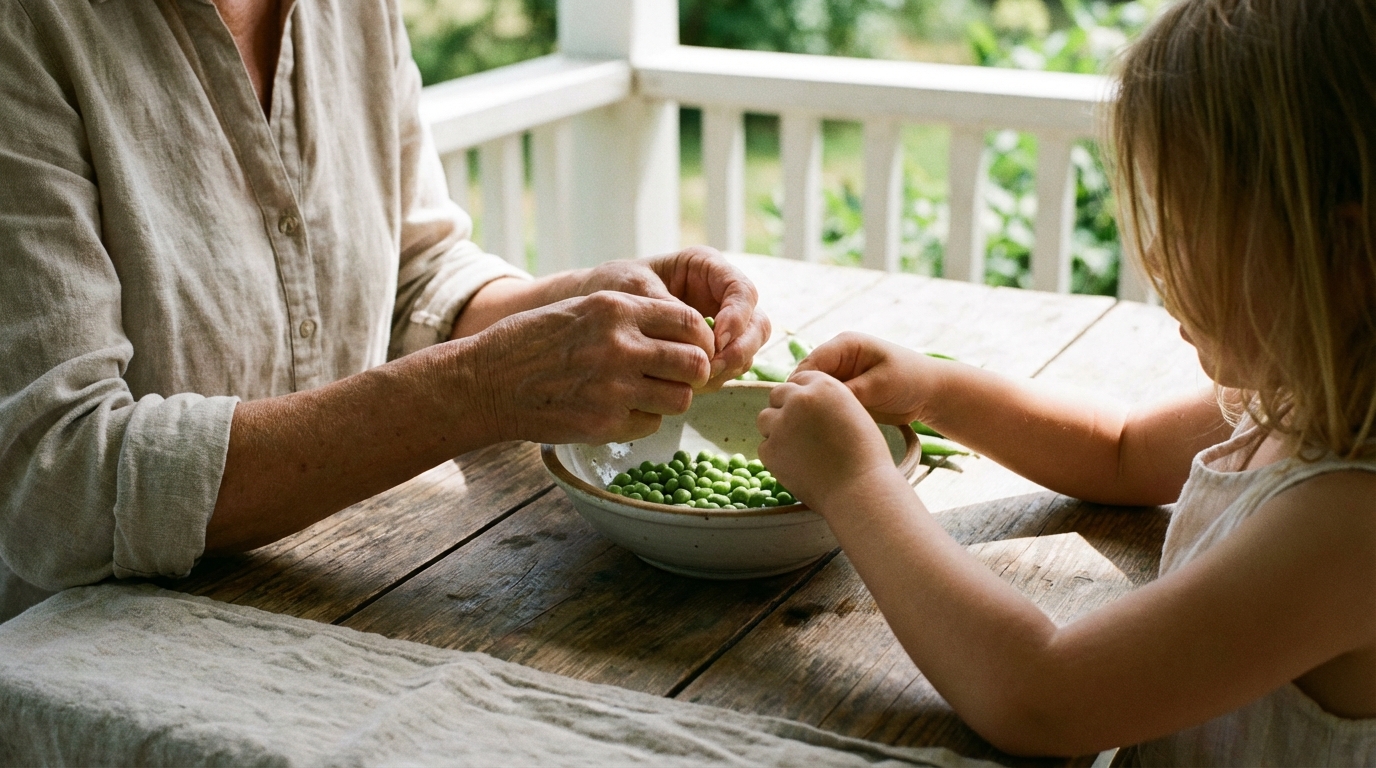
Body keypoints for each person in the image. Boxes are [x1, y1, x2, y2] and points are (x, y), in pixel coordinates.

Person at [0, 0, 768, 622]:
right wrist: (480, 388)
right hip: (89, 670)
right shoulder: (27, 30)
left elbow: (414, 273)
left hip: (341, 591)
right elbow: (56, 482)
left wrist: (574, 306)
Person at [756, 0, 1375, 764]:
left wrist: (853, 482)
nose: (1162, 268)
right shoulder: (1300, 405)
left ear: (1345, 255)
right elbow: (1118, 450)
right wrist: (932, 391)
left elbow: (1041, 698)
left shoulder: (1354, 524)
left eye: (1188, 230)